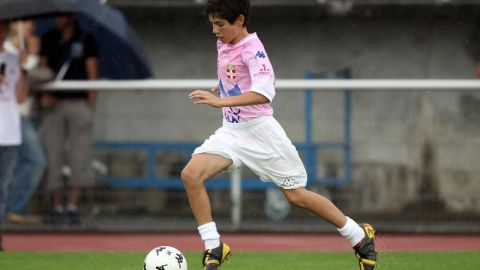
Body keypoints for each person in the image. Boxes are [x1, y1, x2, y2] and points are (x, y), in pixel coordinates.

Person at [182, 1, 377, 270]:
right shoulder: (224, 42)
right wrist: (224, 87)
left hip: (262, 134)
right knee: (191, 175)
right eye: (212, 24)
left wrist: (220, 102)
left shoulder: (254, 49)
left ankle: (358, 235)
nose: (215, 31)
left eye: (220, 25)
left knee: (296, 196)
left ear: (240, 20)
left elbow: (264, 92)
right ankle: (214, 246)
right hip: (231, 134)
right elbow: (235, 75)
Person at [39, 14, 98, 225]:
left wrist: (89, 108)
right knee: (53, 152)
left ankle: (72, 206)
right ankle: (56, 206)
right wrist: (43, 94)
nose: (57, 19)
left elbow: (93, 75)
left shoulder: (85, 39)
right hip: (54, 104)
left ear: (72, 17)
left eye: (62, 15)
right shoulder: (47, 37)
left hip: (78, 102)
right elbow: (43, 70)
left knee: (79, 154)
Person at [4, 20, 46, 225]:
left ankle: (12, 208)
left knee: (18, 166)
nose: (29, 26)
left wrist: (31, 56)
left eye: (31, 22)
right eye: (24, 22)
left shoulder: (22, 51)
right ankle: (14, 206)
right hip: (12, 117)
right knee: (35, 160)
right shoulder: (10, 50)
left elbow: (23, 90)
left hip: (22, 115)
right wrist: (31, 56)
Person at [0, 21, 29, 251]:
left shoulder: (12, 58)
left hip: (9, 133)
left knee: (3, 189)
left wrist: (23, 69)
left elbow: (20, 97)